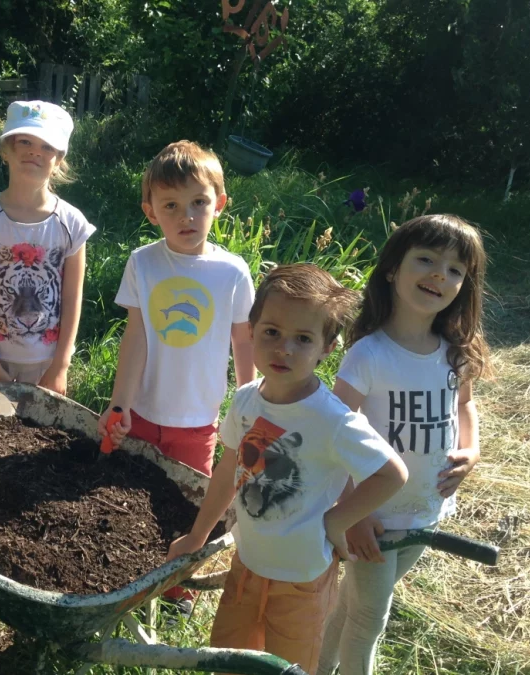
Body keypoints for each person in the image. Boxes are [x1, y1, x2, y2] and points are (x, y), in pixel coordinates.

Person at [167, 263, 408, 675]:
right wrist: (198, 535)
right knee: (230, 662)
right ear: (251, 330)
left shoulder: (332, 420)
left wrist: (337, 522)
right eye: (272, 333)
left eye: (303, 338)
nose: (285, 350)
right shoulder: (246, 401)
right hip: (246, 565)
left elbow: (391, 474)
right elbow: (228, 471)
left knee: (290, 668)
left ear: (327, 347)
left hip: (302, 580)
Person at [318, 214, 491, 675]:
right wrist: (351, 512)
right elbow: (334, 435)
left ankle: (315, 666)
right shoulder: (369, 354)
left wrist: (471, 452)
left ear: (464, 286)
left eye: (455, 269)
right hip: (373, 517)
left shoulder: (454, 351)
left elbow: (465, 409)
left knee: (354, 605)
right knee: (371, 617)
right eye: (427, 259)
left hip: (424, 510)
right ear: (393, 269)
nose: (440, 274)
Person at [97, 140, 255, 478]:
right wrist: (119, 403)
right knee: (121, 491)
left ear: (219, 204)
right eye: (171, 205)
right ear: (150, 212)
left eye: (199, 202)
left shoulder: (233, 271)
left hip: (197, 424)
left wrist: (248, 408)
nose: (187, 216)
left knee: (183, 502)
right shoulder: (143, 262)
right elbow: (136, 334)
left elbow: (243, 341)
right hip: (138, 414)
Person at [0, 100, 95, 395]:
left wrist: (60, 366)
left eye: (47, 146)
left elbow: (72, 298)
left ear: (59, 158)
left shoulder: (72, 223)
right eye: (25, 141)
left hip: (45, 364)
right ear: (5, 149)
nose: (35, 151)